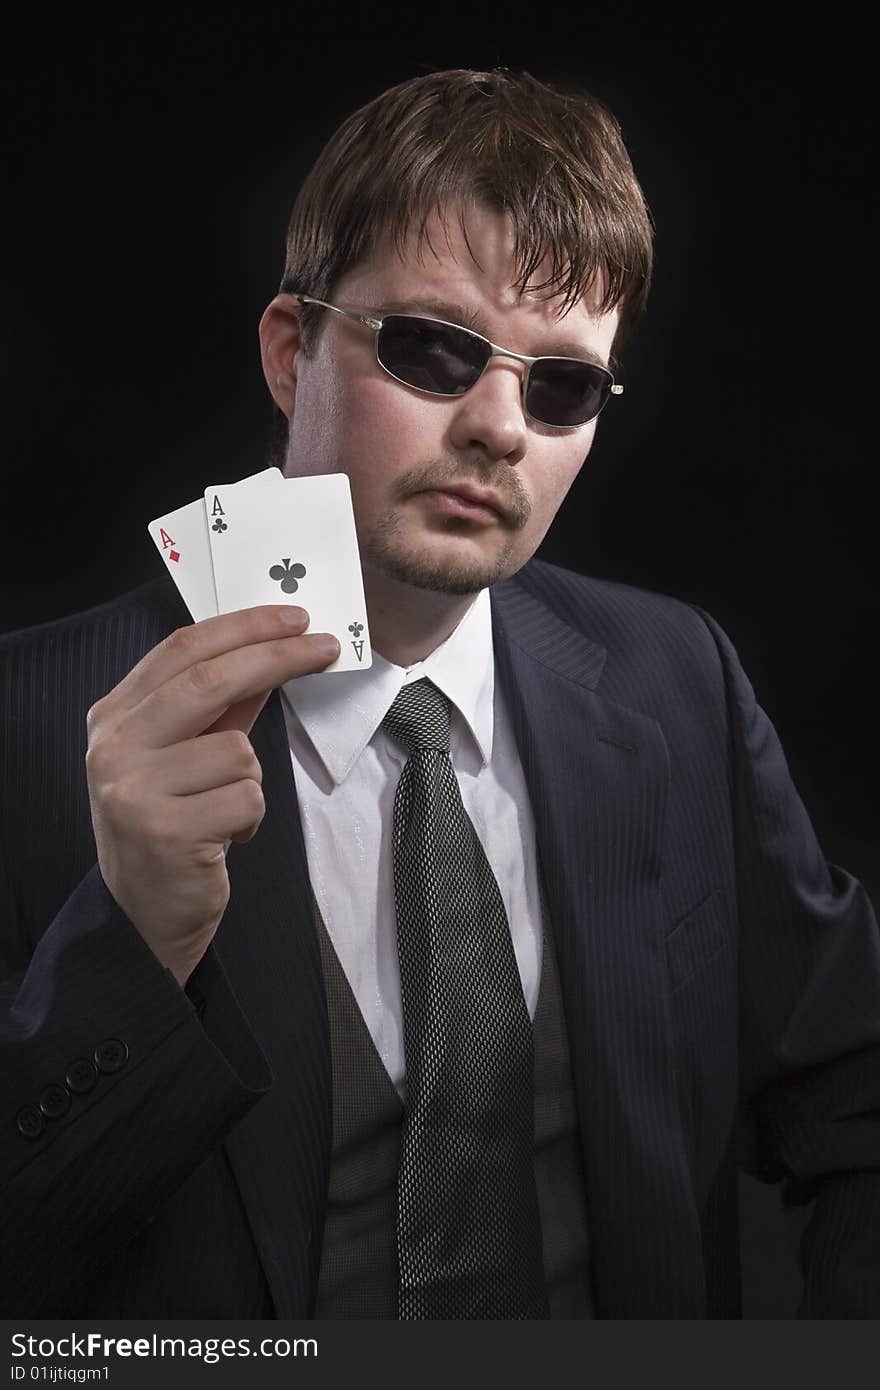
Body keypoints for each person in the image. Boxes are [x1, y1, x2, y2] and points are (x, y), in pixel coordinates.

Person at [1, 66, 878, 1321]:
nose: (500, 427)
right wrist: (132, 942)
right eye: (432, 350)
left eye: (561, 384)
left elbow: (858, 1093)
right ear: (290, 348)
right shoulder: (25, 725)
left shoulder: (677, 680)